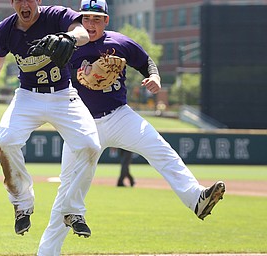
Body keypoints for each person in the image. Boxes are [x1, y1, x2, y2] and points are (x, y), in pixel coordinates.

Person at [37, 0, 225, 255]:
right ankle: (47, 252)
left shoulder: (120, 43)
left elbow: (146, 62)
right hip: (81, 123)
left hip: (118, 116)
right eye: (86, 18)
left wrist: (155, 77)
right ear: (80, 19)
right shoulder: (69, 45)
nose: (90, 24)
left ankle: (196, 199)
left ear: (106, 21)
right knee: (67, 192)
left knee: (160, 148)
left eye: (97, 19)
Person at [0, 0, 101, 237]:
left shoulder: (55, 15)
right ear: (12, 3)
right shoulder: (7, 28)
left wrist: (70, 38)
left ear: (38, 1)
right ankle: (22, 204)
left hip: (62, 94)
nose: (25, 3)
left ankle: (73, 210)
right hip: (28, 96)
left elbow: (82, 32)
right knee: (7, 140)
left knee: (90, 145)